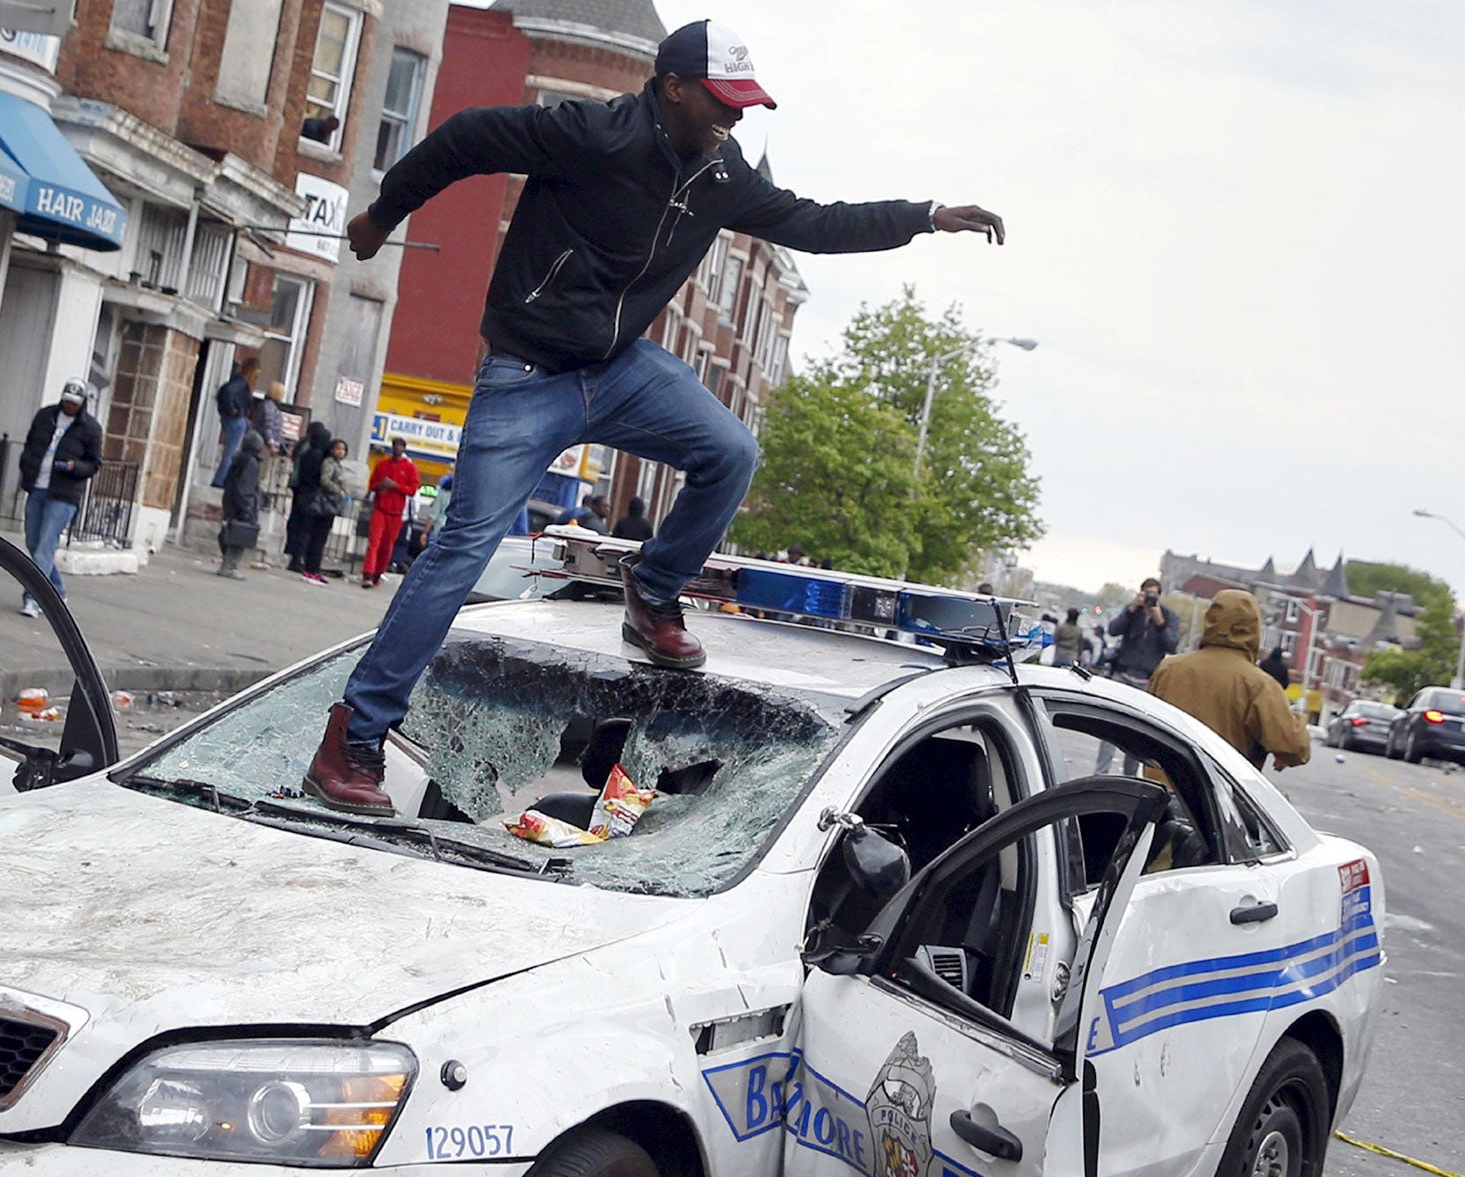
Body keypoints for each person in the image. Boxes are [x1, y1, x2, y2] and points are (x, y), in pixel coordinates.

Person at [304, 18, 1005, 811]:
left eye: (744, 109)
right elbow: (465, 138)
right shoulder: (592, 133)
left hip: (619, 368)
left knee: (731, 451)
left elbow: (813, 221)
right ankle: (353, 738)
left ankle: (654, 591)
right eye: (721, 104)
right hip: (528, 371)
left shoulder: (721, 174)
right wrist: (381, 214)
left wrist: (926, 215)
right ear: (673, 87)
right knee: (462, 548)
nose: (733, 122)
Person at [1149, 589, 1311, 772]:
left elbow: (1143, 730)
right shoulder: (1258, 685)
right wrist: (1298, 719)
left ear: (1210, 620)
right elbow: (1295, 748)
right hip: (1217, 793)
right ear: (1253, 627)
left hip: (1160, 788)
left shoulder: (1169, 668)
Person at [14, 379, 103, 618]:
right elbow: (31, 444)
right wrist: (26, 467)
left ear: (83, 403)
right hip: (38, 486)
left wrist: (74, 467)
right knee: (34, 543)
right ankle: (58, 590)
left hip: (64, 494)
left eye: (74, 403)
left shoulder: (90, 428)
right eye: (66, 401)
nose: (69, 406)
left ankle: (33, 598)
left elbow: (94, 464)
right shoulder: (45, 417)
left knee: (45, 547)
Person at [1097, 577, 1181, 770]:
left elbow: (1172, 645)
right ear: (1140, 593)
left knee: (1136, 733)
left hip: (1147, 680)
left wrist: (1159, 621)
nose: (1150, 599)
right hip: (1123, 674)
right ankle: (1100, 772)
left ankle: (1130, 778)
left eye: (1154, 595)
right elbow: (1113, 630)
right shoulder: (1132, 611)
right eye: (1146, 594)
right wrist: (1131, 609)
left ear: (1160, 596)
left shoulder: (1169, 616)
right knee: (1110, 727)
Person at [362, 437, 420, 587]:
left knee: (387, 546)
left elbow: (412, 490)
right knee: (374, 542)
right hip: (380, 508)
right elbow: (372, 484)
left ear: (404, 449)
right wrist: (380, 486)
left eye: (400, 446)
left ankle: (377, 574)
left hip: (396, 513)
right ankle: (367, 574)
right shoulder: (382, 465)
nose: (397, 449)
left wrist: (395, 486)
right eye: (395, 446)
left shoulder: (409, 468)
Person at [286, 421, 333, 572]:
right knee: (306, 530)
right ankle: (300, 559)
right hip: (311, 495)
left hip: (302, 492)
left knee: (298, 526)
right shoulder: (317, 456)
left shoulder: (306, 451)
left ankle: (295, 557)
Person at [303, 438, 351, 583]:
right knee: (318, 537)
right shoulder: (329, 463)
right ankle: (311, 569)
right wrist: (339, 491)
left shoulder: (338, 465)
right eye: (338, 448)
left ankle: (314, 569)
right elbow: (325, 481)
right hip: (326, 503)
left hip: (332, 504)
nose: (340, 452)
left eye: (343, 449)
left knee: (321, 538)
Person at [217, 433, 263, 578]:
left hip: (230, 500)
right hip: (242, 503)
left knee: (231, 531)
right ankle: (229, 566)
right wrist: (247, 507)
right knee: (240, 535)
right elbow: (245, 486)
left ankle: (227, 563)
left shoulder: (239, 459)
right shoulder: (251, 463)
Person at [209, 356, 259, 488]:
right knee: (231, 451)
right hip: (235, 420)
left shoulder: (237, 380)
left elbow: (224, 391)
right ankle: (220, 480)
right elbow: (228, 392)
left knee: (232, 449)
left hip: (234, 418)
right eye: (257, 370)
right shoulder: (242, 383)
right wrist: (233, 410)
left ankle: (223, 479)